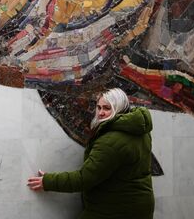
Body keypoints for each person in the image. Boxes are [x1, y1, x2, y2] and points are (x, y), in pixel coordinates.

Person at [27, 88, 154, 219]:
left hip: (117, 209)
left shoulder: (111, 141)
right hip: (136, 206)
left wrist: (48, 181)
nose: (101, 113)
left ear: (120, 108)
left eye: (107, 108)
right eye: (98, 107)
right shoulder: (139, 130)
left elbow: (84, 179)